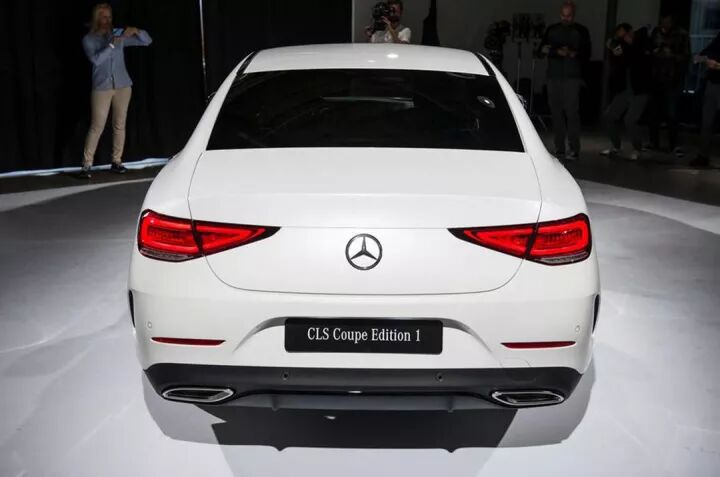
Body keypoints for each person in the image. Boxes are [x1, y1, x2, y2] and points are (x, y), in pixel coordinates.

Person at [79, 3, 152, 179]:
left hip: (123, 86)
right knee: (97, 126)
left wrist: (136, 31)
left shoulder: (118, 34)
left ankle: (116, 161)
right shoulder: (89, 39)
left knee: (119, 125)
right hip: (102, 88)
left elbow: (147, 41)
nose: (107, 20)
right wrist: (111, 45)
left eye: (110, 17)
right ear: (97, 18)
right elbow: (96, 60)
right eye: (104, 17)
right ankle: (86, 165)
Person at [539, 1, 591, 161]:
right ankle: (559, 147)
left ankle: (574, 148)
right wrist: (555, 51)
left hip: (572, 77)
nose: (565, 18)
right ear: (560, 14)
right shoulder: (551, 29)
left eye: (569, 15)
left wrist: (572, 53)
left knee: (571, 113)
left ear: (573, 15)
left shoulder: (581, 31)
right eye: (563, 15)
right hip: (553, 76)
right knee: (556, 113)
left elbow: (587, 53)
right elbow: (541, 50)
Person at [601, 23, 652, 161]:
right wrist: (613, 47)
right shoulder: (622, 48)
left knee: (630, 120)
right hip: (624, 90)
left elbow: (640, 58)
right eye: (621, 36)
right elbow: (618, 60)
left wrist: (628, 45)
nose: (625, 38)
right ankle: (616, 146)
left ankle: (637, 148)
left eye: (626, 34)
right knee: (609, 116)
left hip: (640, 91)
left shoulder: (641, 46)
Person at [647, 14, 690, 159]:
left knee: (672, 113)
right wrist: (654, 52)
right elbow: (650, 49)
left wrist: (671, 55)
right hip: (656, 77)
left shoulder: (681, 34)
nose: (664, 25)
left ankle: (674, 144)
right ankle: (653, 141)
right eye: (662, 22)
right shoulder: (656, 32)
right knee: (654, 112)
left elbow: (686, 56)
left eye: (667, 22)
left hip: (672, 78)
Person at [693, 32, 720, 167]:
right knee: (706, 123)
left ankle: (703, 155)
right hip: (712, 83)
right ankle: (703, 156)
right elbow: (697, 57)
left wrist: (717, 65)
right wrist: (707, 60)